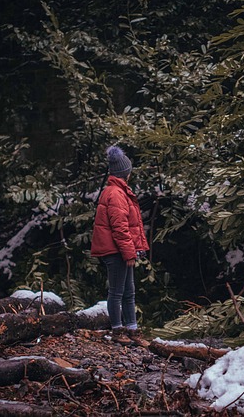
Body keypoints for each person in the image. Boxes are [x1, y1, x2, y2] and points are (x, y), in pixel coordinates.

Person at [91, 145, 150, 347]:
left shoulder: (120, 191)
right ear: (125, 172)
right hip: (115, 250)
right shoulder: (115, 193)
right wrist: (129, 252)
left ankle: (132, 329)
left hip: (122, 250)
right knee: (117, 291)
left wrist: (132, 250)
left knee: (129, 291)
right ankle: (117, 330)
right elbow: (120, 228)